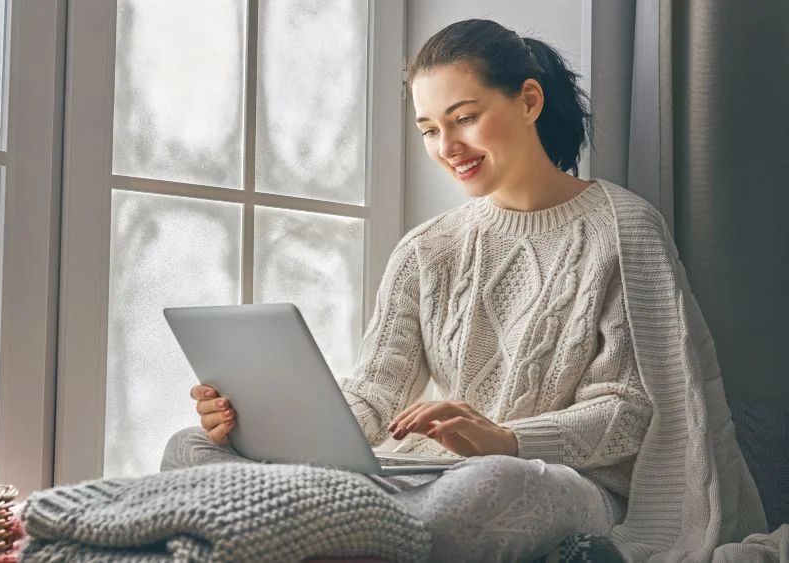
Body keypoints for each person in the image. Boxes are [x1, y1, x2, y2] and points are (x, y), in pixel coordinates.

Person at [162, 19, 774, 563]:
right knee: (189, 447)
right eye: (429, 129)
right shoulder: (425, 249)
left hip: (560, 483)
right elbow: (377, 391)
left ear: (528, 101)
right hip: (433, 478)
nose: (447, 148)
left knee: (492, 487)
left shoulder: (625, 229)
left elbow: (633, 412)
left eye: (464, 118)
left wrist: (508, 439)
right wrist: (263, 423)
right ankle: (352, 525)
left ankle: (331, 526)